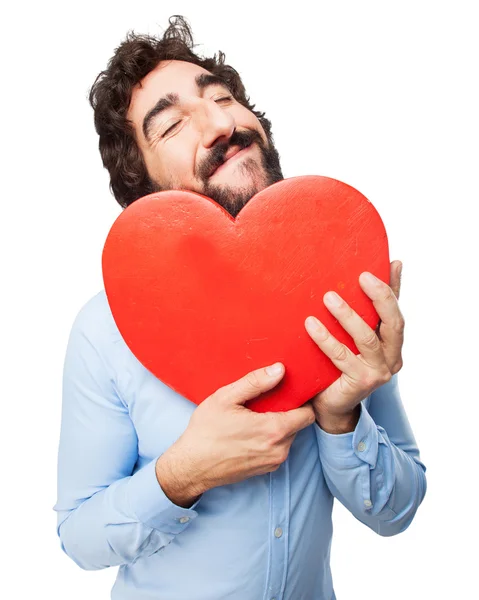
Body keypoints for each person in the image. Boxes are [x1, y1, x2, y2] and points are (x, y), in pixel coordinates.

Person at [54, 15, 427, 600]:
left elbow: (398, 511)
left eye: (223, 97)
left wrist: (343, 416)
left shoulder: (339, 288)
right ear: (144, 187)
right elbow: (77, 536)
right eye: (173, 124)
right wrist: (182, 475)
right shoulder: (105, 332)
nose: (223, 122)